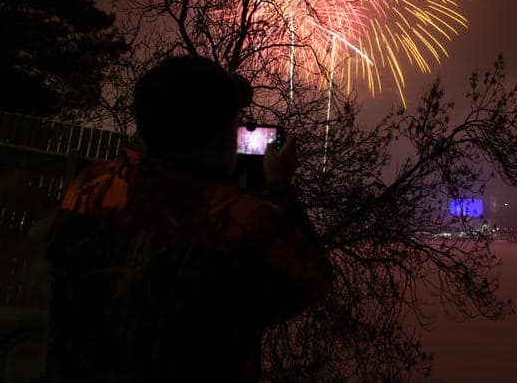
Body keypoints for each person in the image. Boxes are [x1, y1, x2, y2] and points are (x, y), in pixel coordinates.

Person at [43, 56, 332, 381]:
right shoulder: (238, 222)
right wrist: (279, 188)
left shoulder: (91, 187)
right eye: (233, 126)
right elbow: (312, 281)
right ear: (216, 138)